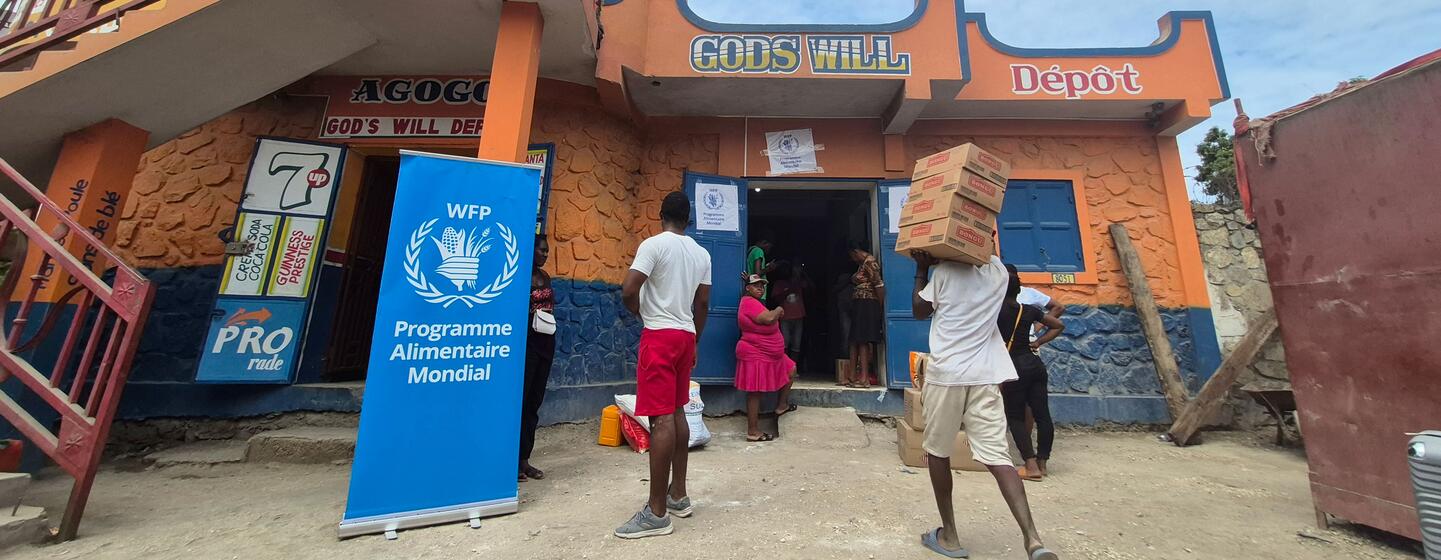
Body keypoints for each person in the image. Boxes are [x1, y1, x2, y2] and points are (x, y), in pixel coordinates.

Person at [910, 250, 1058, 560]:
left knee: (938, 451)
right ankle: (1033, 540)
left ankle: (949, 536)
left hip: (948, 374)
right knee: (998, 457)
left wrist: (923, 268)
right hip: (986, 375)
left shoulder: (946, 272)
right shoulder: (1000, 273)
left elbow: (919, 310)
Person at [614, 192, 712, 539]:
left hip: (659, 336)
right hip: (686, 337)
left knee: (661, 420)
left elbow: (628, 290)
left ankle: (656, 513)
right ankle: (678, 495)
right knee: (678, 411)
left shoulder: (653, 246)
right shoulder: (702, 253)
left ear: (660, 214)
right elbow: (702, 302)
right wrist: (695, 339)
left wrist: (642, 312)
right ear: (689, 219)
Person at [999, 264, 1065, 481]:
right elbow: (1058, 325)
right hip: (1035, 364)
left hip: (1014, 366)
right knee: (1042, 414)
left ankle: (1030, 466)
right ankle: (1042, 463)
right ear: (1019, 290)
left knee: (1016, 416)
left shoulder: (995, 311)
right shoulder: (1028, 310)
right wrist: (1038, 341)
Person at [734, 274, 797, 442]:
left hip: (771, 354)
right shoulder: (748, 302)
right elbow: (767, 318)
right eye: (756, 285)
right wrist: (777, 310)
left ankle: (781, 405)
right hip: (756, 352)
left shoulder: (756, 303)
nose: (760, 288)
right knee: (755, 392)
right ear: (748, 288)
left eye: (762, 285)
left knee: (791, 369)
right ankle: (752, 431)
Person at [519, 234, 556, 482]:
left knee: (534, 403)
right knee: (520, 402)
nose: (545, 254)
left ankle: (525, 459)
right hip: (528, 345)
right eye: (541, 250)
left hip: (546, 344)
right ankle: (511, 462)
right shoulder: (521, 279)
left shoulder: (546, 278)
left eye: (547, 251)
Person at [847, 243, 884, 387]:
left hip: (867, 303)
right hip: (859, 304)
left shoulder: (870, 262)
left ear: (856, 251)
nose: (853, 259)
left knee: (862, 340)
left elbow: (879, 285)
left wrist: (879, 307)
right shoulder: (862, 264)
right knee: (855, 339)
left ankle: (864, 378)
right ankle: (852, 376)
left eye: (852, 256)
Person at [769, 262, 810, 368]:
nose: (797, 271)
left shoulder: (801, 282)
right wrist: (789, 290)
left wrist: (804, 275)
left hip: (799, 315)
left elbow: (811, 290)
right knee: (784, 342)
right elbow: (775, 299)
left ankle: (793, 368)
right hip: (785, 316)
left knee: (797, 343)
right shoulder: (780, 283)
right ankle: (783, 367)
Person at [746, 234, 776, 298]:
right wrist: (769, 268)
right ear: (764, 242)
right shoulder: (758, 251)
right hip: (758, 292)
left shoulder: (751, 250)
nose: (769, 249)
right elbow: (758, 273)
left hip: (751, 290)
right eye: (769, 247)